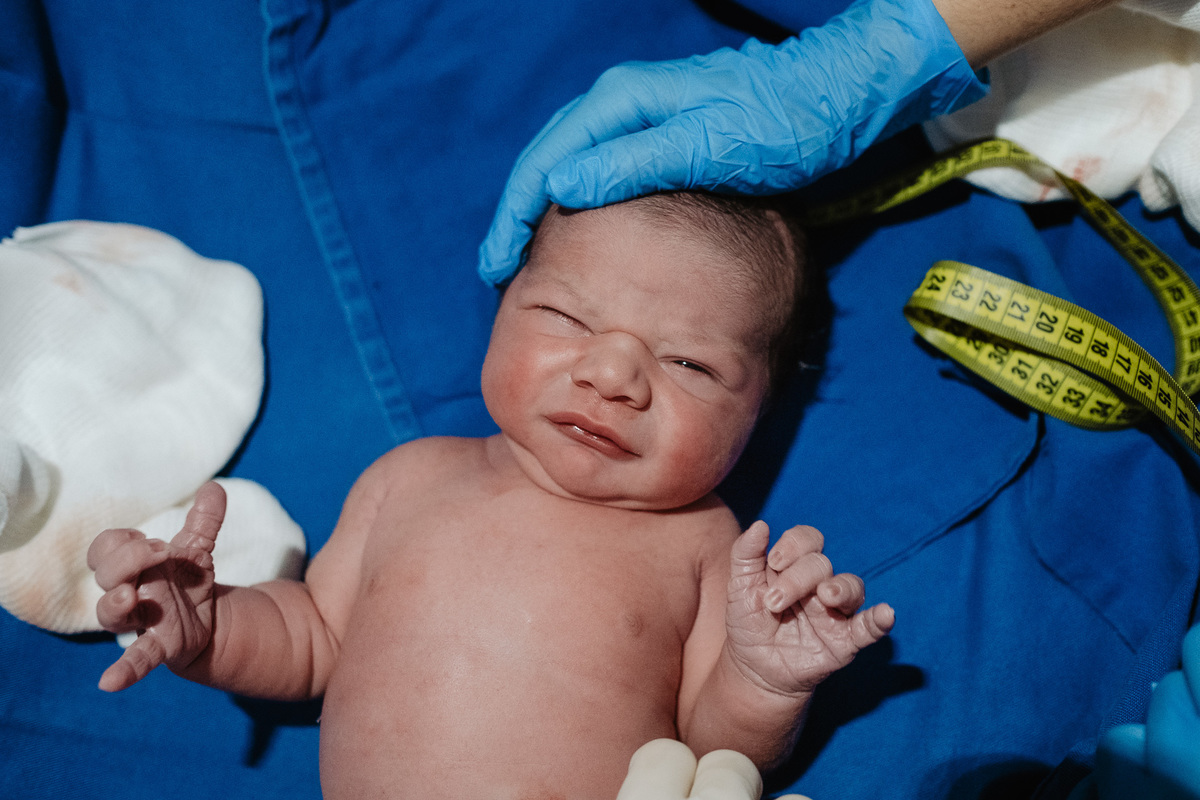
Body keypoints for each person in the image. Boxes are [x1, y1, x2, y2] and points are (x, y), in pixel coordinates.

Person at [86, 192, 894, 799]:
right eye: (565, 316)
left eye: (689, 364)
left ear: (760, 412)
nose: (611, 376)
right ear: (501, 309)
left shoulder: (706, 546)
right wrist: (213, 625)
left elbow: (715, 746)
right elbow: (312, 639)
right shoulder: (412, 477)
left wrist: (762, 681)